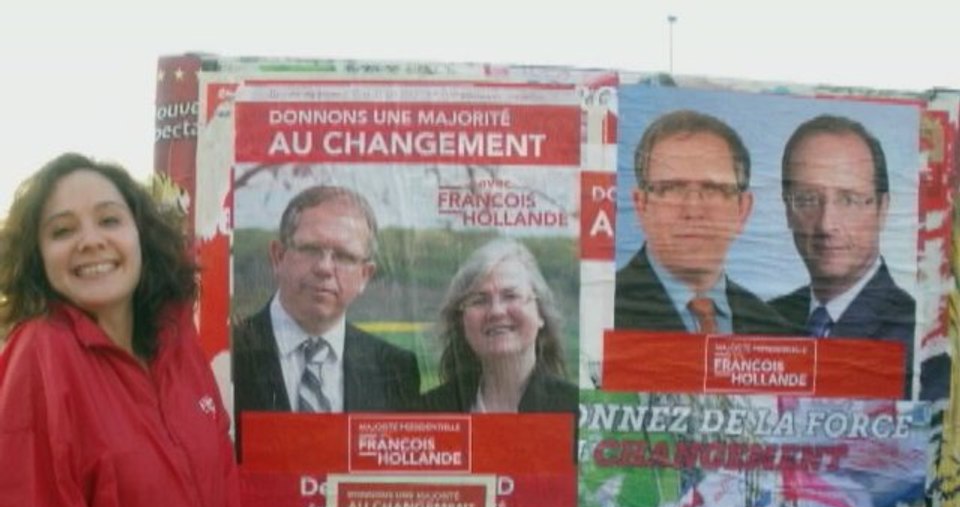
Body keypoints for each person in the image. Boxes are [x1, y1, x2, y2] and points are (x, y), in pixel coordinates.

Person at [0, 153, 255, 507]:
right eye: (62, 230)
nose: (90, 240)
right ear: (39, 258)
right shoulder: (41, 364)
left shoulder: (175, 344)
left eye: (109, 219)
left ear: (140, 233)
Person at [232, 185, 419, 416]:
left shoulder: (396, 368)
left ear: (365, 275)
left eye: (343, 256)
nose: (324, 268)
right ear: (278, 257)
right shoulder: (227, 351)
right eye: (310, 249)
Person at [772, 115, 916, 397]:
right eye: (808, 199)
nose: (826, 225)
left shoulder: (921, 338)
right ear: (788, 210)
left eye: (848, 200)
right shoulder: (762, 320)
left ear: (882, 209)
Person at [614, 109, 791, 335]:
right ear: (641, 206)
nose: (693, 209)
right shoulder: (604, 309)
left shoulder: (775, 329)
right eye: (672, 189)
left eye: (713, 189)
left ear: (743, 209)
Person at [420, 238, 577, 413]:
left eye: (511, 296)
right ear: (461, 321)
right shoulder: (429, 411)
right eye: (479, 300)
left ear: (540, 313)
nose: (496, 311)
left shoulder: (579, 412)